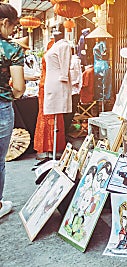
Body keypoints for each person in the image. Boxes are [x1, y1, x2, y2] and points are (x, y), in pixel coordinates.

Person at [0, 3, 25, 219]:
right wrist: (12, 96)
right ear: (4, 23)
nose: (13, 32)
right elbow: (19, 87)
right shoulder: (11, 49)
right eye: (13, 27)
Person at [33, 38, 66, 159]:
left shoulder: (60, 46)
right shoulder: (52, 46)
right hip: (45, 84)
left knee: (54, 115)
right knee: (45, 114)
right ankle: (46, 147)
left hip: (52, 84)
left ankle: (53, 146)